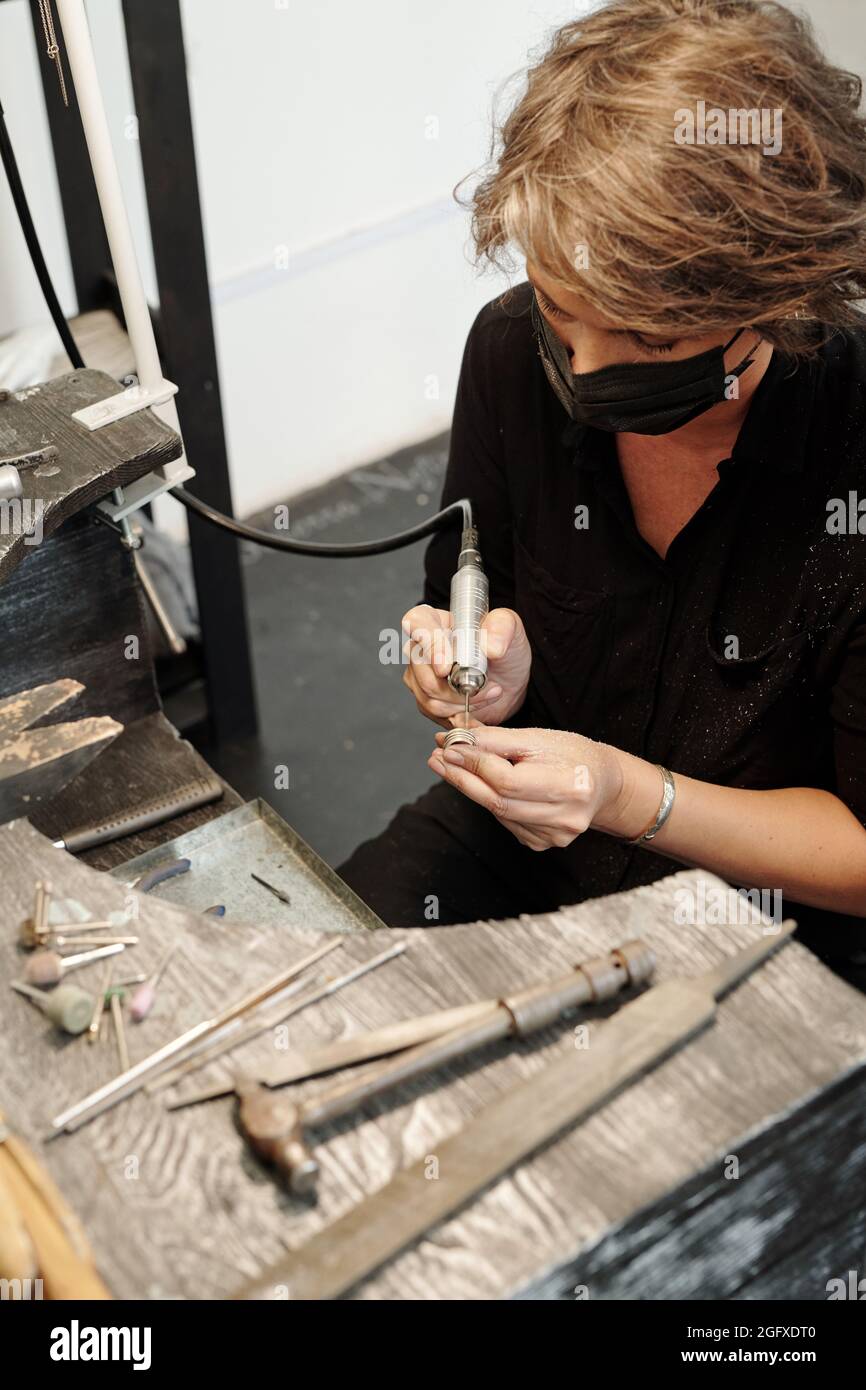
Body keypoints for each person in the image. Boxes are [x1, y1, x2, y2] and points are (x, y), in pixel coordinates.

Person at [337, 0, 866, 985]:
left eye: (650, 340)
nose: (582, 374)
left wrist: (629, 795)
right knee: (309, 986)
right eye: (558, 309)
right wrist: (482, 667)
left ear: (776, 296)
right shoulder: (507, 350)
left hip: (773, 917)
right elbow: (472, 585)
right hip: (527, 834)